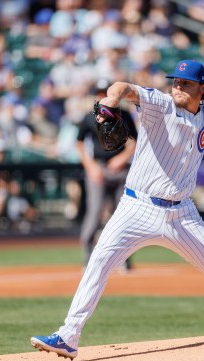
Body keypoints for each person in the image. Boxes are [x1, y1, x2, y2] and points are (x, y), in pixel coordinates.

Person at [30, 60, 204, 361]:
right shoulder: (159, 104)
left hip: (182, 215)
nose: (178, 86)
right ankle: (68, 337)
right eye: (176, 81)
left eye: (186, 83)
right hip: (136, 207)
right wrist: (111, 99)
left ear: (201, 88)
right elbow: (125, 87)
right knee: (99, 261)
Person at [76, 80, 137, 270]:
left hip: (121, 170)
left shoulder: (124, 115)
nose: (103, 96)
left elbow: (134, 142)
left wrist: (122, 159)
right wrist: (91, 167)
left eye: (106, 93)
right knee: (94, 213)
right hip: (99, 169)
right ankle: (88, 254)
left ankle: (123, 258)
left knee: (122, 214)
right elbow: (79, 143)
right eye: (100, 93)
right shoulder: (89, 117)